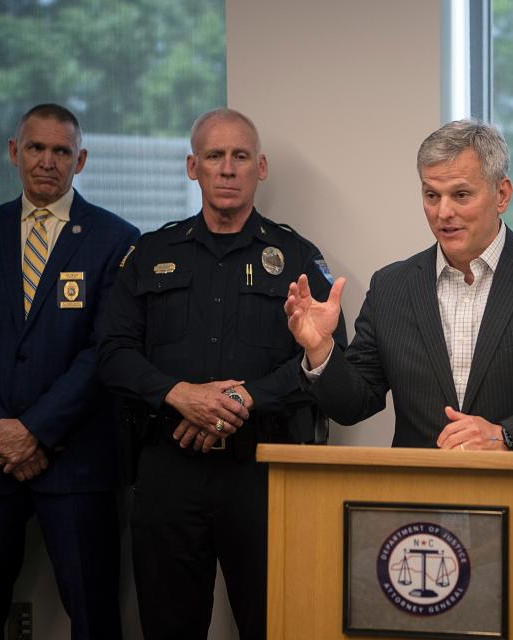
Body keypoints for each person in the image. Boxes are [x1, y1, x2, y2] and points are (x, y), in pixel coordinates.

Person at [97, 107, 346, 639]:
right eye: (214, 156)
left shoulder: (298, 257)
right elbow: (112, 354)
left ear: (261, 168)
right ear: (193, 167)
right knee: (168, 625)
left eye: (239, 157)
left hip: (261, 472)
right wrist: (179, 395)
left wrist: (239, 400)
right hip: (168, 471)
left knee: (273, 621)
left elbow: (325, 360)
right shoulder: (149, 253)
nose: (227, 169)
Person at [284, 119, 513, 450]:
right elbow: (353, 404)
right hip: (418, 496)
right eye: (432, 195)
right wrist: (319, 349)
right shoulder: (391, 286)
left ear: (501, 195)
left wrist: (506, 435)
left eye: (461, 195)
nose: (443, 212)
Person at [0, 103, 139, 639]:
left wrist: (35, 430)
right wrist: (0, 430)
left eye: (61, 151)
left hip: (77, 463)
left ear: (80, 160)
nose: (47, 161)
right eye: (36, 148)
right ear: (15, 153)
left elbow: (104, 350)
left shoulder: (117, 239)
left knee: (93, 615)